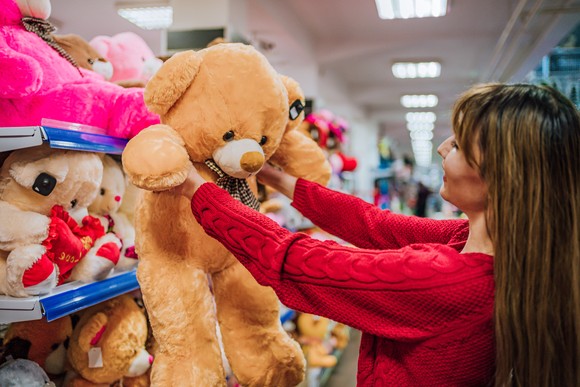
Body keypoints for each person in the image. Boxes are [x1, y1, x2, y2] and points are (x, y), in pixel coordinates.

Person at [173, 83, 579, 387]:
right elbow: (374, 225)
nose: (441, 148)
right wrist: (273, 175)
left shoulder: (450, 280)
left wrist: (197, 189)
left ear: (500, 175)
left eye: (456, 144)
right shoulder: (483, 243)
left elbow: (296, 262)